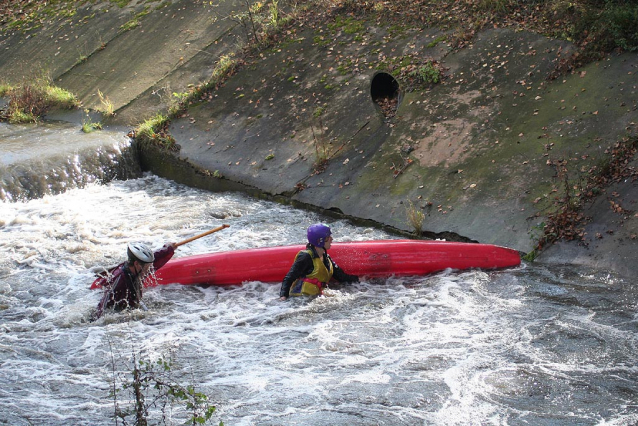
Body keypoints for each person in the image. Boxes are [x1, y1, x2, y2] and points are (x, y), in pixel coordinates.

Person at [93, 241, 176, 319]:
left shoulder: (136, 266)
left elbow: (155, 258)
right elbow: (103, 308)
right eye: (147, 268)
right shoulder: (120, 282)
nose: (149, 270)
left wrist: (168, 249)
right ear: (136, 264)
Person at [279, 223, 359, 300]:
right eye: (328, 237)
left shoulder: (327, 259)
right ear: (320, 241)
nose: (332, 239)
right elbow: (289, 278)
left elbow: (341, 276)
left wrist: (361, 280)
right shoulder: (305, 257)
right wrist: (283, 296)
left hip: (313, 297)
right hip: (300, 298)